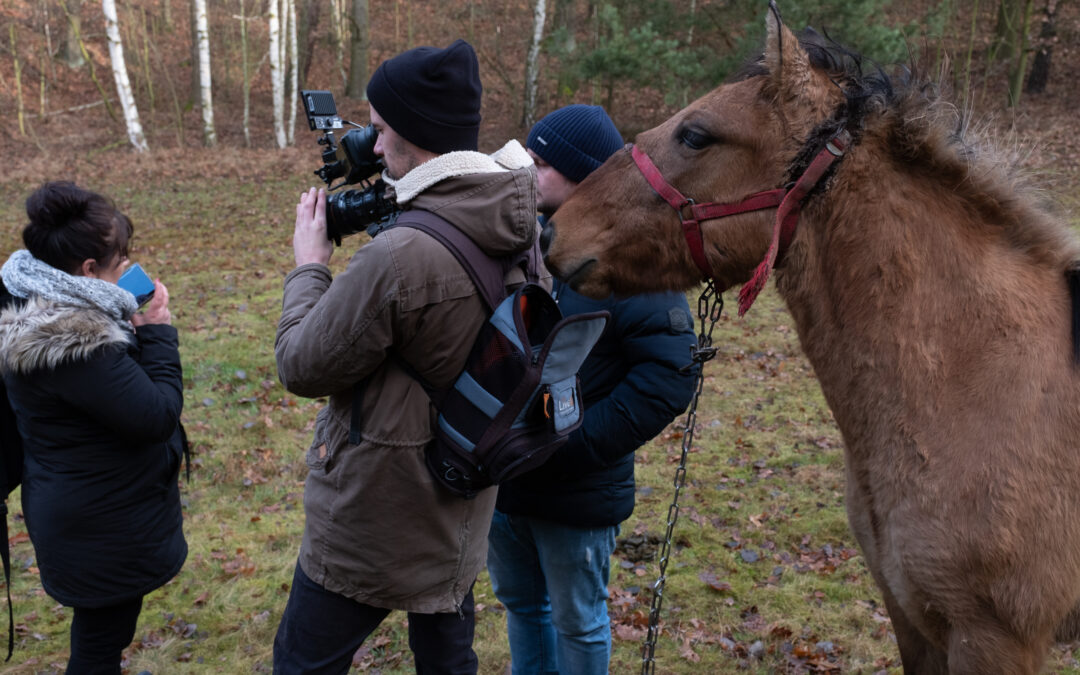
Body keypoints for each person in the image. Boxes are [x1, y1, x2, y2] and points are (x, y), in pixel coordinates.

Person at [272, 39, 544, 675]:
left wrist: (311, 266)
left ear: (412, 135)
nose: (369, 138)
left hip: (373, 514)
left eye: (378, 125)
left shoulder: (400, 258)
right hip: (464, 491)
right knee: (448, 660)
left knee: (303, 663)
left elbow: (301, 364)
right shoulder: (518, 227)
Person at [486, 105, 699, 674]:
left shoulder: (629, 258)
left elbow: (669, 374)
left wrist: (573, 445)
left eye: (539, 161)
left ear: (580, 172)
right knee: (523, 606)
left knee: (578, 620)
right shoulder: (515, 243)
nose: (524, 171)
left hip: (576, 492)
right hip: (504, 479)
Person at [0, 181, 186, 674]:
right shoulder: (76, 345)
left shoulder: (26, 293)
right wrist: (159, 331)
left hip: (80, 507)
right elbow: (156, 415)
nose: (126, 267)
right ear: (87, 270)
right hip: (100, 522)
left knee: (104, 630)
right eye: (120, 258)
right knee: (100, 641)